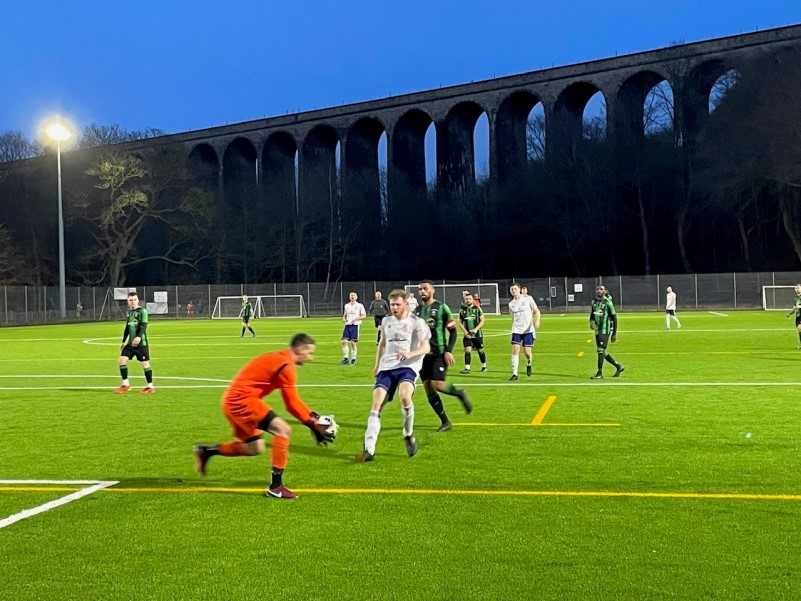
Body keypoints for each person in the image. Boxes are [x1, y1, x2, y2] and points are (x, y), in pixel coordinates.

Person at [194, 334, 334, 500]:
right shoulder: (286, 366)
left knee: (254, 448)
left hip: (231, 401)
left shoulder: (279, 359)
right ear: (300, 349)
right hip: (242, 401)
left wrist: (313, 418)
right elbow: (291, 404)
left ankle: (207, 451)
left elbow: (295, 401)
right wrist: (313, 425)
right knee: (283, 430)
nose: (311, 357)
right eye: (310, 353)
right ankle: (276, 487)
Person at [361, 289, 431, 462]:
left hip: (408, 366)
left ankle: (408, 435)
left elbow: (426, 347)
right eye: (392, 304)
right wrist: (377, 365)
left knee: (405, 396)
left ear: (406, 304)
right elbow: (382, 344)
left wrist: (410, 354)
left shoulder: (417, 322)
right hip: (387, 367)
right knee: (377, 404)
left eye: (398, 304)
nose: (394, 307)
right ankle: (369, 449)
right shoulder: (386, 321)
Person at [415, 280, 472, 432]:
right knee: (428, 388)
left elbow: (453, 331)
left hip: (438, 354)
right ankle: (445, 422)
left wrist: (448, 351)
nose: (422, 291)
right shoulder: (417, 311)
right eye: (420, 289)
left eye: (425, 288)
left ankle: (459, 393)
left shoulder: (442, 308)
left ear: (432, 290)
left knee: (437, 384)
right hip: (422, 356)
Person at [115, 291, 155, 394]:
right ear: (128, 301)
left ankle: (150, 387)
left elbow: (144, 325)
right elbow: (127, 328)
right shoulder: (129, 313)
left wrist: (138, 337)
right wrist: (123, 341)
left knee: (145, 364)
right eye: (131, 300)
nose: (133, 302)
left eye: (135, 300)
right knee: (121, 360)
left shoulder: (142, 311)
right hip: (130, 344)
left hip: (141, 344)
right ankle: (126, 385)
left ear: (138, 300)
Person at [590, 284, 624, 380]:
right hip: (597, 330)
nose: (599, 290)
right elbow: (592, 314)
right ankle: (618, 366)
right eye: (598, 289)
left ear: (604, 291)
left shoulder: (608, 302)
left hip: (605, 330)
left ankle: (599, 373)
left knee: (600, 350)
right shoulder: (594, 302)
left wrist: (614, 334)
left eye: (601, 289)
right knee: (602, 352)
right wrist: (591, 322)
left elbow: (614, 317)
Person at [508, 283, 540, 380]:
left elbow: (536, 311)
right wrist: (513, 328)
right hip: (516, 330)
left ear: (519, 289)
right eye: (512, 289)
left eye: (515, 288)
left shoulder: (528, 299)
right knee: (515, 350)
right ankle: (515, 374)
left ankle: (529, 363)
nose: (513, 290)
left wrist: (537, 320)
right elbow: (513, 318)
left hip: (528, 329)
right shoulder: (511, 304)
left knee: (527, 352)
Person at [459, 293, 487, 374]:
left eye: (469, 299)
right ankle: (467, 368)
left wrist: (476, 329)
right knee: (467, 350)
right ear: (465, 300)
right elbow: (460, 322)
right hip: (467, 335)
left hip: (477, 335)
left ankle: (484, 365)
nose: (468, 300)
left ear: (472, 300)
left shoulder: (477, 309)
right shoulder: (462, 310)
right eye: (466, 299)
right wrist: (465, 332)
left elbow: (482, 320)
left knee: (480, 351)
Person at [341, 292, 366, 365]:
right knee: (344, 341)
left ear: (356, 297)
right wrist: (344, 319)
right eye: (351, 295)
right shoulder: (346, 306)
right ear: (349, 297)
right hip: (347, 325)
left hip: (355, 325)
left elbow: (364, 315)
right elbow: (345, 315)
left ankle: (353, 359)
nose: (352, 297)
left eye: (354, 295)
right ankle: (346, 358)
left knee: (353, 343)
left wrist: (356, 319)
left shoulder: (360, 305)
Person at [785, 283, 801, 349]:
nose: (797, 289)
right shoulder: (796, 298)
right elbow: (794, 308)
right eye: (796, 288)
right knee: (799, 330)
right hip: (798, 316)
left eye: (798, 288)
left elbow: (798, 306)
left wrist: (799, 306)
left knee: (800, 328)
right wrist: (790, 313)